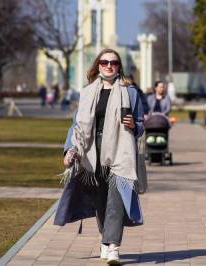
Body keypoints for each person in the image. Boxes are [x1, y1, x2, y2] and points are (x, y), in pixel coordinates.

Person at [54, 48, 144, 265]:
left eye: (113, 62)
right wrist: (70, 150)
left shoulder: (130, 93)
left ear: (119, 66)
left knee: (117, 197)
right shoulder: (87, 92)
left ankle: (113, 246)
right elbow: (77, 126)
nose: (109, 66)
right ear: (98, 65)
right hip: (93, 150)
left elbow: (141, 125)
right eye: (104, 62)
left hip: (121, 149)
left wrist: (135, 125)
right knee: (100, 199)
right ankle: (106, 240)